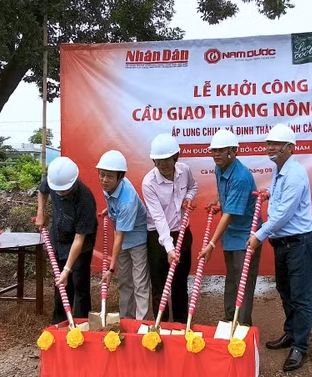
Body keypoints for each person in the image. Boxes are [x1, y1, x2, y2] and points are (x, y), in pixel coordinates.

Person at [247, 124, 312, 372]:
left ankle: (300, 346)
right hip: (283, 243)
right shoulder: (279, 171)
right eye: (268, 144)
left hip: (299, 242)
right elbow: (279, 202)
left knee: (301, 295)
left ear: (290, 148)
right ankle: (290, 333)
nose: (270, 148)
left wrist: (259, 235)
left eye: (276, 144)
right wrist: (267, 193)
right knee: (285, 290)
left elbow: (284, 215)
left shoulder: (295, 174)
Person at [196, 128, 261, 326]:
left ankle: (242, 325)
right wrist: (219, 202)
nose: (216, 154)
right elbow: (224, 195)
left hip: (246, 235)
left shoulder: (241, 177)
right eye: (214, 150)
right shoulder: (219, 168)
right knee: (232, 277)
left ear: (233, 151)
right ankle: (229, 317)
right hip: (231, 233)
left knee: (243, 281)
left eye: (221, 150)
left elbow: (230, 214)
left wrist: (211, 244)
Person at [142, 133, 198, 323]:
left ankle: (182, 325)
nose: (162, 164)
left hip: (182, 232)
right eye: (157, 160)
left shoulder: (185, 170)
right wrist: (169, 248)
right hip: (158, 237)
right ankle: (162, 326)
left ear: (176, 157)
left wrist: (189, 198)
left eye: (166, 160)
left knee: (180, 282)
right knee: (159, 284)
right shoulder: (148, 183)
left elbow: (193, 187)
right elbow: (158, 218)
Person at [35, 156, 97, 324]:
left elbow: (79, 239)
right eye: (58, 190)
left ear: (74, 181)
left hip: (81, 244)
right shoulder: (55, 180)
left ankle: (83, 323)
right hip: (59, 236)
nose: (60, 193)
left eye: (64, 190)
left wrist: (68, 269)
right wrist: (41, 211)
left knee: (79, 282)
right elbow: (42, 191)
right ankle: (60, 322)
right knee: (61, 282)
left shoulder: (85, 200)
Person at [97, 150, 151, 320]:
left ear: (120, 177)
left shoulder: (127, 201)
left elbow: (119, 236)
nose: (104, 180)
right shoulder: (111, 186)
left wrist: (110, 269)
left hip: (137, 239)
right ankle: (125, 321)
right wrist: (111, 210)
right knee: (124, 282)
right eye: (102, 174)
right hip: (122, 235)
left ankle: (142, 325)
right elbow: (115, 204)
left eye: (109, 177)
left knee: (140, 283)